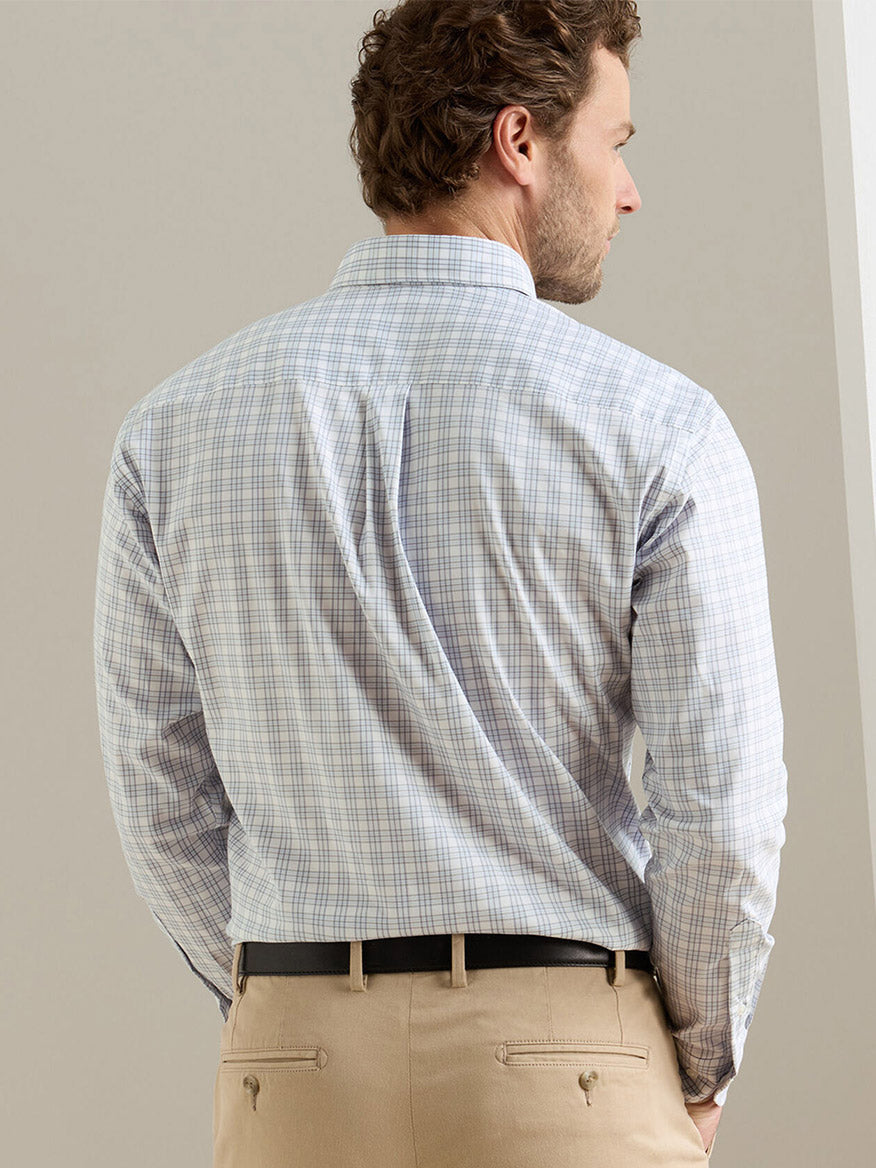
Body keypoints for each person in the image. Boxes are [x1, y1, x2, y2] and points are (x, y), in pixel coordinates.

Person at [92, 1, 787, 1164]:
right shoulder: (660, 426)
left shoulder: (174, 429)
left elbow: (161, 794)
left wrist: (293, 997)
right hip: (571, 1063)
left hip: (295, 1073)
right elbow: (719, 809)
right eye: (614, 144)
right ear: (521, 143)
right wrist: (696, 1056)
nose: (626, 191)